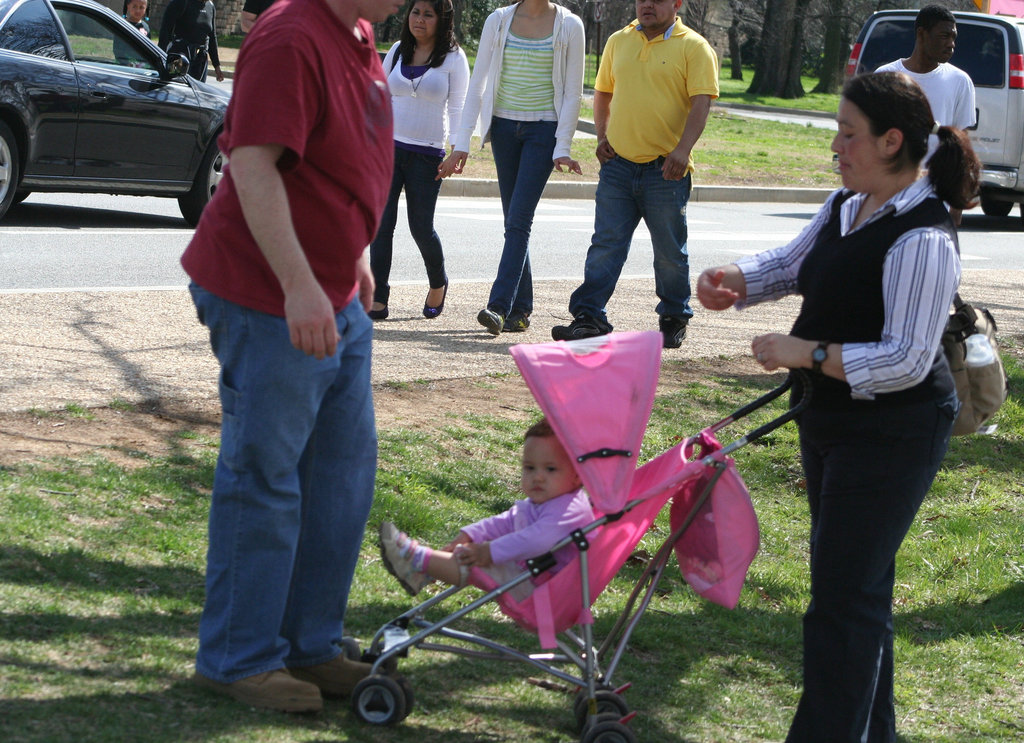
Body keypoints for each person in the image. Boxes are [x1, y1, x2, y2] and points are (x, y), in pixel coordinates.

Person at [696, 72, 980, 742]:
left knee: (841, 604)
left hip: (894, 430)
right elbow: (796, 263)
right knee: (858, 594)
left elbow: (907, 359)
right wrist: (737, 280)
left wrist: (807, 353)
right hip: (830, 420)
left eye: (848, 135)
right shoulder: (844, 205)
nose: (836, 147)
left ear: (890, 141)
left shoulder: (924, 237)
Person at [179, 0, 402, 713]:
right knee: (264, 476)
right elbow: (252, 165)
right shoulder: (290, 37)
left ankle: (310, 643)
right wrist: (299, 285)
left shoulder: (358, 31)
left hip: (333, 292)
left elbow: (334, 163)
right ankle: (238, 658)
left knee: (340, 477)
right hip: (269, 296)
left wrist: (354, 255)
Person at [550, 0, 718, 350]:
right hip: (619, 167)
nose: (647, 5)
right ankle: (589, 316)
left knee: (669, 251)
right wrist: (601, 135)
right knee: (605, 245)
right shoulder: (618, 40)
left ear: (677, 4)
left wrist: (682, 151)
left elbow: (702, 102)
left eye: (657, 0)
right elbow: (603, 92)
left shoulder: (694, 46)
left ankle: (673, 316)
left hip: (666, 171)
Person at [449, 0, 584, 335]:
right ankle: (521, 310)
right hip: (505, 130)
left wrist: (563, 146)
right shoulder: (498, 21)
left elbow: (572, 92)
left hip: (543, 132)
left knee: (519, 220)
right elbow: (477, 83)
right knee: (514, 222)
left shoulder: (570, 26)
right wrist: (463, 141)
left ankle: (498, 306)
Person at [379, 417, 594, 599]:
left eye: (550, 469)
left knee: (475, 562)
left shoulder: (570, 509)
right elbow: (507, 521)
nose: (537, 476)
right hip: (534, 576)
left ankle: (414, 557)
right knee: (472, 552)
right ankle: (422, 571)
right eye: (529, 467)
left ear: (578, 475)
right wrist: (470, 534)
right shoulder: (547, 501)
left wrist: (488, 552)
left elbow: (537, 540)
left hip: (548, 591)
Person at [368, 0, 469, 321]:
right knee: (381, 226)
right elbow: (379, 95)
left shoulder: (454, 57)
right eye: (415, 12)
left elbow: (459, 107)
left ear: (442, 20)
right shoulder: (398, 50)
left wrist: (458, 149)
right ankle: (378, 297)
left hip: (428, 156)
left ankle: (438, 282)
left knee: (421, 228)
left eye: (428, 14)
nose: (420, 20)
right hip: (388, 149)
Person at [876, 4, 976, 224]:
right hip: (888, 197)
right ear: (921, 34)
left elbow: (961, 147)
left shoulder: (960, 82)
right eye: (944, 36)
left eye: (954, 37)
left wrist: (957, 204)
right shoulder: (886, 76)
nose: (951, 44)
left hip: (934, 199)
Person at [158, 0, 224, 82]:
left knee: (197, 91)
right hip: (179, 57)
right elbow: (165, 33)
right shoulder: (180, 3)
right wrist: (161, 60)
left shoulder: (210, 6)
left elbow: (212, 37)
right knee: (175, 89)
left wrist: (217, 66)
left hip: (200, 59)